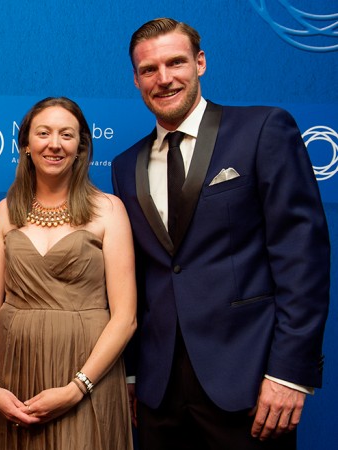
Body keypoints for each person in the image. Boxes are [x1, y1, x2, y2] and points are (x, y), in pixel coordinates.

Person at [111, 17, 330, 450]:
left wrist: (290, 372)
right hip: (158, 393)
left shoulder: (262, 129)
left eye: (176, 63)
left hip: (248, 383)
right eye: (149, 69)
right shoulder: (125, 165)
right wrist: (133, 374)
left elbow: (302, 259)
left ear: (201, 63)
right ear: (136, 79)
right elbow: (136, 277)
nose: (164, 78)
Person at [0, 97, 137, 449]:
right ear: (27, 144)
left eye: (67, 134)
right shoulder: (6, 210)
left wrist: (77, 388)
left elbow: (125, 318)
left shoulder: (108, 210)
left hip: (87, 374)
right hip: (12, 375)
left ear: (81, 147)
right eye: (43, 133)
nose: (54, 144)